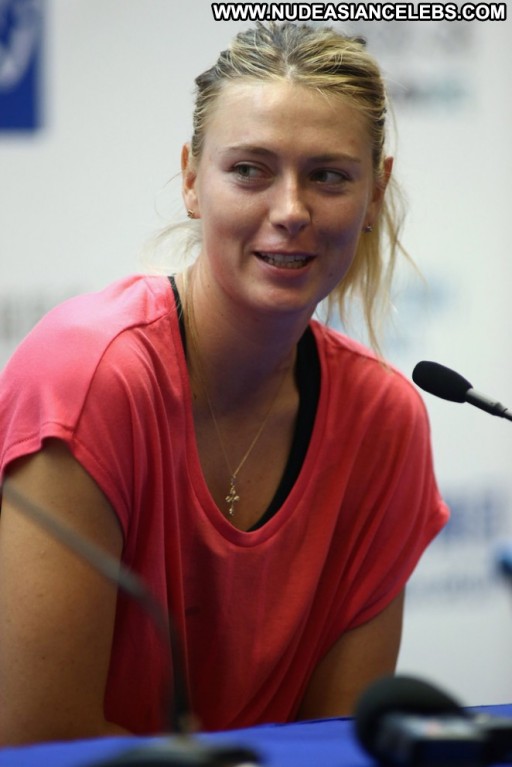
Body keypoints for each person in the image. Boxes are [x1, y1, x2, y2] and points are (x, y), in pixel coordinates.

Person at [0, 21, 449, 745]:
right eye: (250, 170)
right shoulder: (88, 374)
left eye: (329, 176)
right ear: (191, 179)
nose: (291, 210)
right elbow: (38, 739)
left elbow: (336, 744)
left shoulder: (385, 419)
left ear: (375, 194)